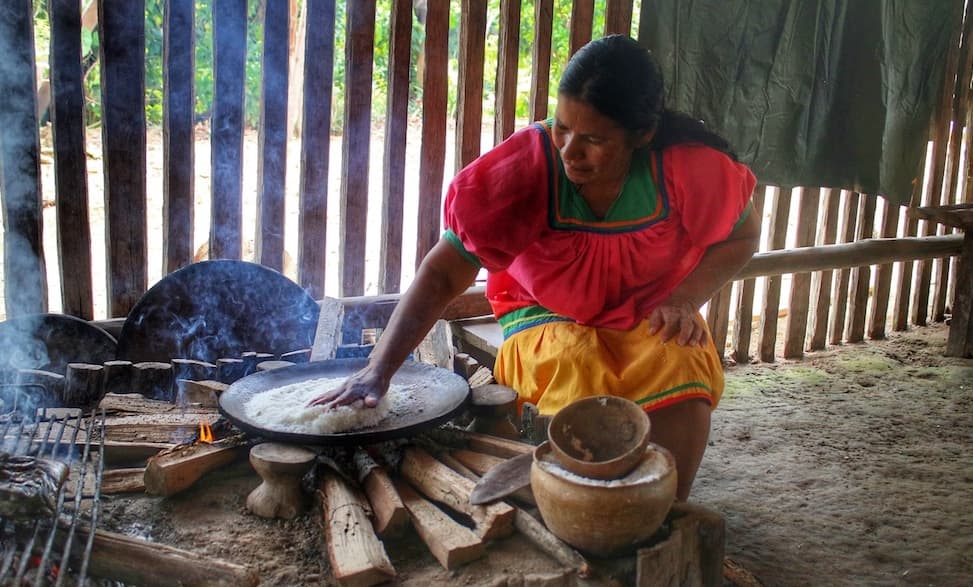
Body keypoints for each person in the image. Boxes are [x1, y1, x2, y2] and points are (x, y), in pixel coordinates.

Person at [309, 34, 759, 501]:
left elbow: (743, 238)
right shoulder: (526, 167)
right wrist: (378, 370)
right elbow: (443, 273)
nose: (570, 151)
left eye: (594, 140)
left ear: (641, 135)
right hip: (543, 311)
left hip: (646, 308)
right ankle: (584, 500)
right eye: (563, 127)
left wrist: (683, 298)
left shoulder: (687, 168)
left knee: (679, 358)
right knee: (576, 365)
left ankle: (666, 508)